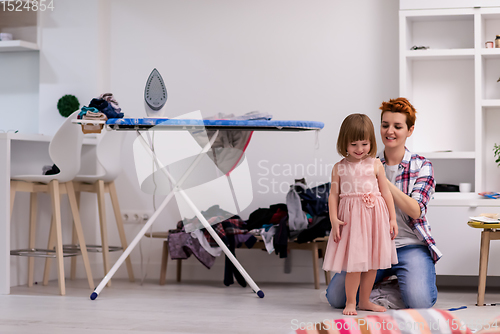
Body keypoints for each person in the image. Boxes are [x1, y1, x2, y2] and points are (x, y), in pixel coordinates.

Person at [325, 97, 441, 310]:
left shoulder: (421, 165)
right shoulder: (362, 158)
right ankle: (376, 293)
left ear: (410, 130)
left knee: (420, 301)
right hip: (370, 241)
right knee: (335, 298)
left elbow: (416, 210)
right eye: (385, 125)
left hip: (409, 245)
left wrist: (382, 182)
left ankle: (389, 289)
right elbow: (337, 194)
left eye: (398, 126)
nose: (390, 131)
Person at [323, 113, 398, 315]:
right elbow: (333, 195)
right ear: (344, 143)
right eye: (353, 144)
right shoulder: (339, 167)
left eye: (364, 144)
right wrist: (333, 218)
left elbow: (385, 192)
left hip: (375, 217)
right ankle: (350, 302)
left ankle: (364, 300)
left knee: (372, 263)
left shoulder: (375, 164)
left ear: (371, 142)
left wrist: (392, 218)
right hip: (352, 221)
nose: (359, 149)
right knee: (355, 264)